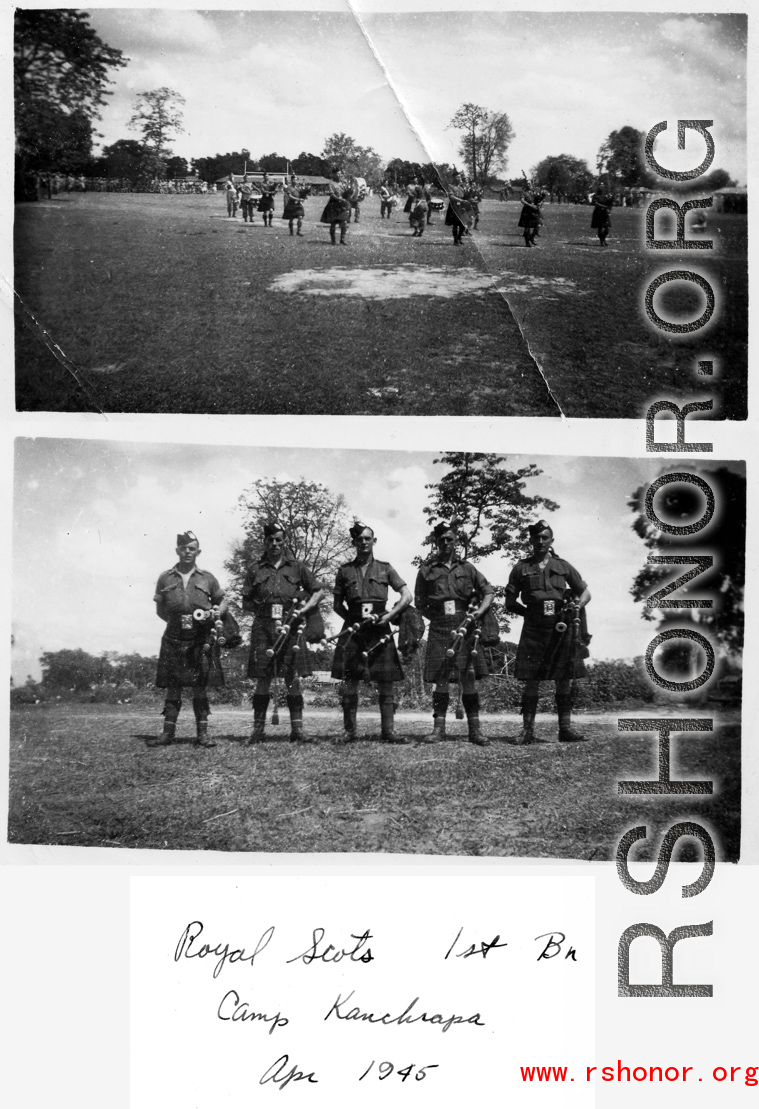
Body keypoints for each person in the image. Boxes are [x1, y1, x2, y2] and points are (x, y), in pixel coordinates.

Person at [504, 521, 591, 744]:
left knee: (563, 678)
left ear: (552, 540)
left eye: (545, 537)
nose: (541, 541)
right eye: (537, 538)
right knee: (531, 679)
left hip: (561, 624)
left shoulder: (563, 566)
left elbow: (585, 594)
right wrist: (529, 614)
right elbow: (510, 602)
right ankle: (527, 731)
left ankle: (565, 730)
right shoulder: (521, 568)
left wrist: (576, 607)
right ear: (531, 541)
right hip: (533, 628)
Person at [242, 522, 324, 743]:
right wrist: (264, 610)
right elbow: (245, 602)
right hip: (263, 627)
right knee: (263, 678)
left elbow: (319, 592)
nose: (275, 544)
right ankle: (258, 731)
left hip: (291, 625)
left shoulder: (297, 567)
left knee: (292, 678)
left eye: (279, 539)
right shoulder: (254, 569)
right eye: (270, 540)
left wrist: (303, 610)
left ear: (284, 541)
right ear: (265, 541)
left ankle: (297, 731)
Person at [332, 522, 412, 744]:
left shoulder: (385, 568)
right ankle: (349, 732)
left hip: (380, 628)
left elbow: (407, 595)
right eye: (360, 539)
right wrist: (353, 620)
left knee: (386, 680)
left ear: (374, 541)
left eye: (368, 538)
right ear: (354, 543)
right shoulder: (344, 571)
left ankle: (388, 732)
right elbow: (337, 605)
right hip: (353, 631)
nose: (364, 542)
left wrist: (391, 614)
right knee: (350, 680)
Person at [414, 522, 494, 746]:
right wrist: (437, 617)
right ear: (436, 542)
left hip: (465, 623)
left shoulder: (467, 568)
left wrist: (478, 612)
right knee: (441, 679)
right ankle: (438, 729)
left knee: (468, 676)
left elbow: (488, 592)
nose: (446, 543)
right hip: (439, 626)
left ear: (456, 541)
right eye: (442, 539)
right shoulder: (426, 571)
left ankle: (475, 731)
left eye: (450, 539)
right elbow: (419, 602)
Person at [151, 530, 228, 748]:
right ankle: (167, 734)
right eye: (184, 548)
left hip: (200, 637)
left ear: (198, 552)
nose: (187, 552)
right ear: (177, 550)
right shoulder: (165, 578)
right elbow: (160, 610)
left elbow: (223, 602)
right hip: (173, 636)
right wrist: (177, 622)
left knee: (199, 685)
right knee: (173, 685)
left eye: (192, 549)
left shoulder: (207, 578)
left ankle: (202, 735)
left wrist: (217, 613)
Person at [320, 168, 352, 245]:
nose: (339, 175)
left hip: (343, 205)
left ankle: (342, 240)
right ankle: (333, 240)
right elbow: (332, 195)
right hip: (334, 205)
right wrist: (339, 199)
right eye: (338, 174)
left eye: (340, 173)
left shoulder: (343, 183)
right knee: (333, 223)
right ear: (333, 174)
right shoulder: (331, 184)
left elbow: (347, 192)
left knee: (344, 222)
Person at [444, 169, 473, 246]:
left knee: (463, 224)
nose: (460, 179)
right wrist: (461, 200)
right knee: (455, 224)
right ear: (454, 178)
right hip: (454, 207)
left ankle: (459, 238)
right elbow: (451, 197)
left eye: (460, 177)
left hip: (461, 207)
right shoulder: (450, 186)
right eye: (458, 177)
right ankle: (455, 241)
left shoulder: (461, 187)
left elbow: (465, 196)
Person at [518, 183, 541, 247]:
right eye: (529, 185)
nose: (531, 186)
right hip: (526, 211)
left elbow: (538, 201)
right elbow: (522, 200)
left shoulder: (534, 193)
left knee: (539, 224)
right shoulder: (524, 192)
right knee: (527, 227)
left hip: (534, 211)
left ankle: (531, 237)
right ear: (527, 186)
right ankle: (527, 243)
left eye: (532, 185)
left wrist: (539, 203)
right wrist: (529, 205)